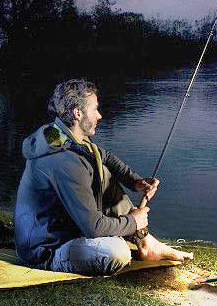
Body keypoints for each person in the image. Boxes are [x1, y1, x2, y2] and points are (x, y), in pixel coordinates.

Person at [14, 78, 194, 275]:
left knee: (102, 169)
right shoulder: (64, 161)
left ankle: (146, 243)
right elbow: (94, 227)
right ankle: (130, 240)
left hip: (68, 229)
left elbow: (105, 157)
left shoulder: (59, 136)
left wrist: (135, 181)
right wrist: (133, 222)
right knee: (117, 253)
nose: (100, 116)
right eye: (95, 109)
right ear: (77, 113)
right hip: (46, 249)